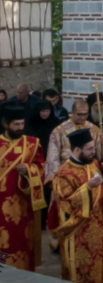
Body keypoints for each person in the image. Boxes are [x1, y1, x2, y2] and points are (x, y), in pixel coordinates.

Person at [51, 128, 103, 283]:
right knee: (83, 273)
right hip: (78, 233)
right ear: (77, 150)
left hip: (99, 229)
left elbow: (99, 194)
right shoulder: (63, 174)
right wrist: (86, 187)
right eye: (90, 149)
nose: (93, 152)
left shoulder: (92, 163)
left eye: (93, 147)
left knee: (101, 267)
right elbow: (65, 203)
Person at [0, 106, 46, 270]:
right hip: (0, 207)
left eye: (22, 124)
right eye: (16, 124)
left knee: (22, 242)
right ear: (6, 124)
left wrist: (29, 169)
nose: (20, 128)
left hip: (23, 205)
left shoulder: (32, 144)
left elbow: (41, 168)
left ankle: (25, 275)